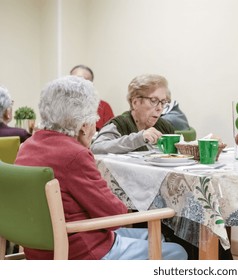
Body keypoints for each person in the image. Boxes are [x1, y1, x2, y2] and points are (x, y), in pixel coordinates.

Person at [15, 75, 187, 260]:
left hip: (41, 250)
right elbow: (113, 215)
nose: (94, 129)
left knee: (157, 238)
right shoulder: (75, 155)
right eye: (93, 121)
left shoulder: (27, 147)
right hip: (81, 250)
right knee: (177, 251)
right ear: (83, 125)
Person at [91, 74, 176, 154]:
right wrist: (139, 138)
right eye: (154, 100)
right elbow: (96, 148)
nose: (160, 108)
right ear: (135, 102)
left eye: (163, 102)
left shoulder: (165, 127)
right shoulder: (119, 125)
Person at [70, 64, 115, 131]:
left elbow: (111, 134)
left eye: (84, 81)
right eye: (74, 80)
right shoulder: (58, 106)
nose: (78, 84)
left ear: (91, 85)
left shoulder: (103, 107)